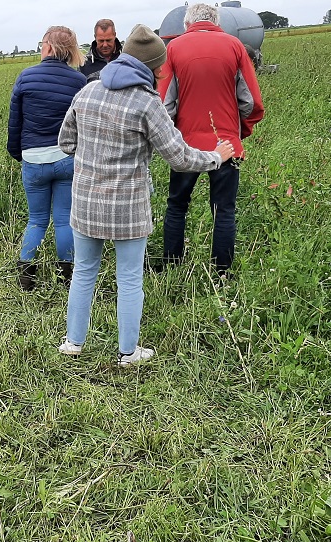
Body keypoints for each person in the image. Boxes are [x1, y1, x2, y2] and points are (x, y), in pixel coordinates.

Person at [58, 25, 235, 365]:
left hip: (85, 203)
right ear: (152, 68)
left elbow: (66, 143)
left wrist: (94, 154)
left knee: (83, 271)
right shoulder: (147, 103)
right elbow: (180, 158)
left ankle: (73, 343)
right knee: (128, 278)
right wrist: (217, 157)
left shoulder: (88, 91)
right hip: (127, 207)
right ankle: (128, 352)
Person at [157, 3, 265, 276]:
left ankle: (171, 266)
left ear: (187, 24)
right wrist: (238, 132)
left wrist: (172, 136)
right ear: (217, 21)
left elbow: (165, 105)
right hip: (227, 144)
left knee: (177, 205)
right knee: (224, 210)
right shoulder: (236, 46)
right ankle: (222, 273)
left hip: (185, 145)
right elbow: (251, 102)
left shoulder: (174, 49)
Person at [6, 26, 87, 291]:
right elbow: (81, 124)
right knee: (64, 219)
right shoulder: (78, 81)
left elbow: (14, 122)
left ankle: (26, 277)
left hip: (33, 158)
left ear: (49, 47)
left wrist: (18, 153)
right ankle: (66, 277)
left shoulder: (25, 77)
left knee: (37, 220)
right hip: (66, 158)